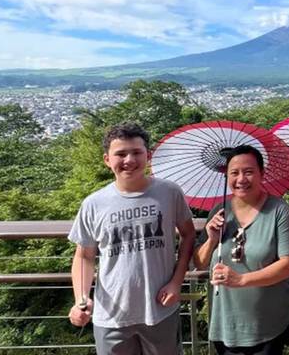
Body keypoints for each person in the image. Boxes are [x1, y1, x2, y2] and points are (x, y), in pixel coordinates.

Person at [67, 122, 196, 355]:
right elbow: (84, 256)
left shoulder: (169, 192)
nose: (129, 160)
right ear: (107, 159)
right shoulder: (93, 204)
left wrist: (177, 282)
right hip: (111, 314)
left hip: (160, 309)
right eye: (121, 154)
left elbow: (188, 236)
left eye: (136, 152)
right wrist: (82, 298)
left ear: (148, 155)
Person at [193, 145, 289, 355]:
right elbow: (199, 262)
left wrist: (241, 280)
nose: (241, 179)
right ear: (226, 176)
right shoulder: (219, 211)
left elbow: (288, 266)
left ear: (262, 173)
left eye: (248, 172)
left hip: (268, 323)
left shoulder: (279, 211)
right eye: (234, 173)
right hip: (226, 322)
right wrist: (212, 239)